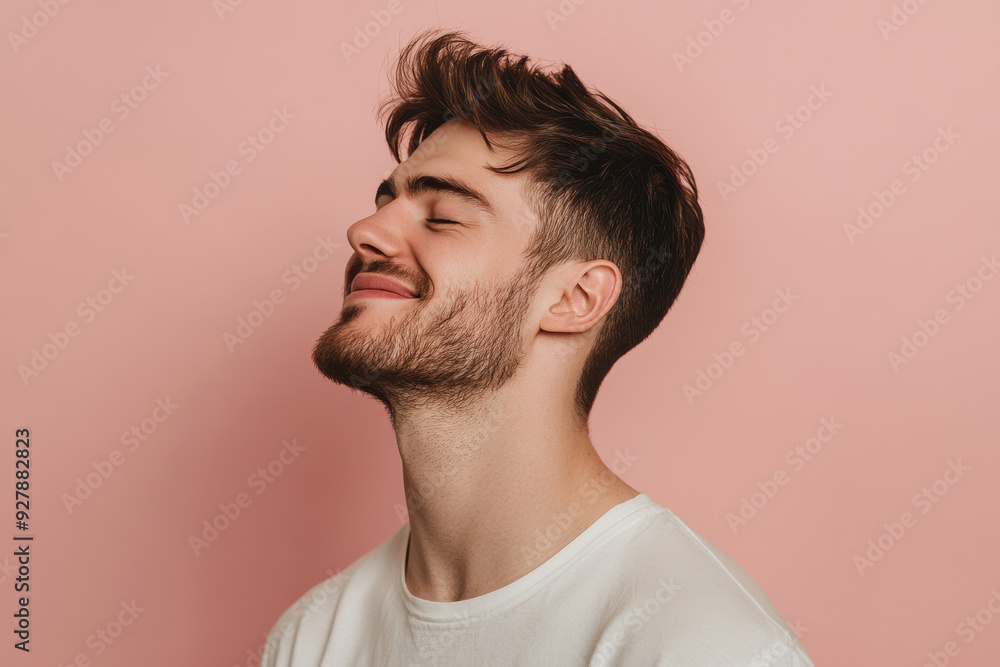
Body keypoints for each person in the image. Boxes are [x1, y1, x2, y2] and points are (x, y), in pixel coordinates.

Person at [262, 28, 814, 666]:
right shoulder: (311, 638)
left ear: (575, 299)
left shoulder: (701, 644)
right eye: (385, 200)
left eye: (442, 215)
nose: (365, 230)